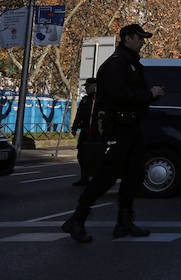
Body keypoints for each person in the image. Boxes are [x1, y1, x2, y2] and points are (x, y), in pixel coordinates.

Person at [62, 24, 165, 243]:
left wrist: (148, 95)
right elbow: (120, 95)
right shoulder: (116, 64)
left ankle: (124, 222)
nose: (143, 42)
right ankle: (77, 219)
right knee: (107, 176)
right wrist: (149, 94)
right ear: (127, 38)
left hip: (132, 126)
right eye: (139, 38)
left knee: (133, 175)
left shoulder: (131, 63)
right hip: (119, 127)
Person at [71, 78, 100, 186]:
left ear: (94, 86)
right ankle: (84, 177)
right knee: (81, 155)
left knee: (95, 156)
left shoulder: (101, 99)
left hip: (97, 132)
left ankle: (97, 178)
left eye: (88, 86)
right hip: (85, 131)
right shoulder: (85, 100)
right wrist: (74, 126)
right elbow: (79, 114)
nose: (86, 89)